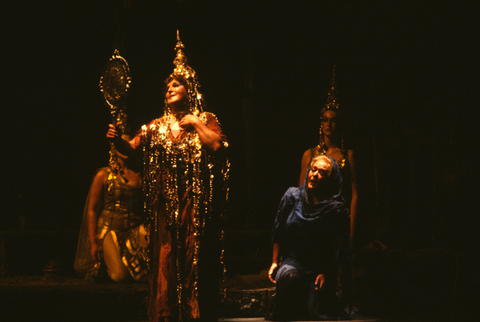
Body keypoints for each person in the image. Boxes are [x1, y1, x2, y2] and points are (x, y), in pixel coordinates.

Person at [106, 33, 229, 322]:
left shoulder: (206, 119)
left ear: (191, 88)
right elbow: (131, 150)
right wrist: (116, 139)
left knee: (193, 260)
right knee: (166, 259)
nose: (169, 89)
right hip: (164, 209)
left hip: (195, 208)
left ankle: (196, 314)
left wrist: (196, 122)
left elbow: (218, 147)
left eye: (176, 84)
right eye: (167, 87)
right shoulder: (156, 127)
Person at [268, 155, 350, 321]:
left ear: (331, 179)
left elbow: (340, 246)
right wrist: (275, 261)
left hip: (322, 264)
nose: (314, 175)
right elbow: (279, 230)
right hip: (295, 260)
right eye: (313, 169)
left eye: (322, 173)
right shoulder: (292, 196)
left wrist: (327, 272)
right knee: (288, 277)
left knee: (318, 308)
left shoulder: (336, 209)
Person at [74, 144, 148, 283]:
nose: (126, 149)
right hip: (109, 231)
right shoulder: (104, 175)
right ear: (115, 149)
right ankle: (104, 266)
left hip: (133, 232)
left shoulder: (142, 176)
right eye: (122, 146)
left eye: (129, 145)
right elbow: (92, 209)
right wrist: (93, 242)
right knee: (120, 276)